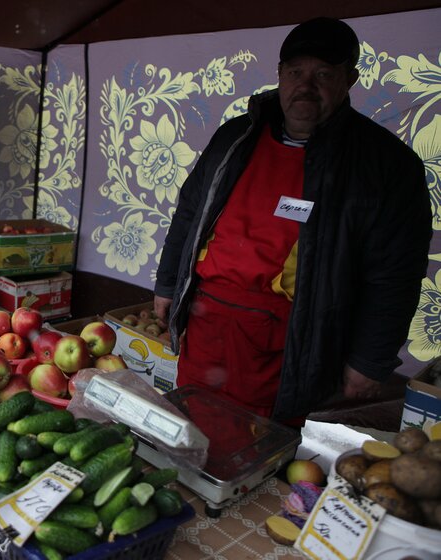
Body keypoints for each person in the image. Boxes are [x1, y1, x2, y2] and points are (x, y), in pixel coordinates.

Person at [153, 17, 431, 423]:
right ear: (279, 74)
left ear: (349, 80)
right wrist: (167, 283)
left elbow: (395, 274)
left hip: (293, 344)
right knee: (192, 427)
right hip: (206, 326)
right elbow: (190, 213)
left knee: (265, 446)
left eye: (323, 74)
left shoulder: (386, 165)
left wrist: (370, 360)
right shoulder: (235, 138)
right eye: (296, 72)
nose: (306, 85)